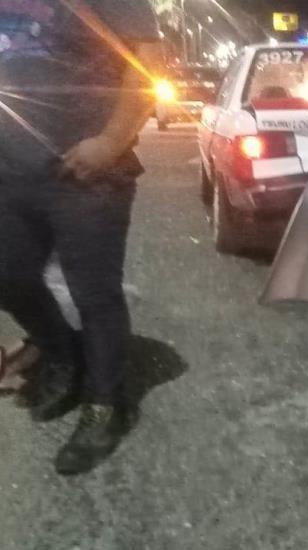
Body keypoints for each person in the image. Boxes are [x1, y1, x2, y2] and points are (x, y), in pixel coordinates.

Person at [0, 0, 162, 475]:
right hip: (10, 172)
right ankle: (61, 353)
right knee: (8, 277)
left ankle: (106, 404)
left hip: (87, 173)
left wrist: (111, 142)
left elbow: (147, 65)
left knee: (95, 294)